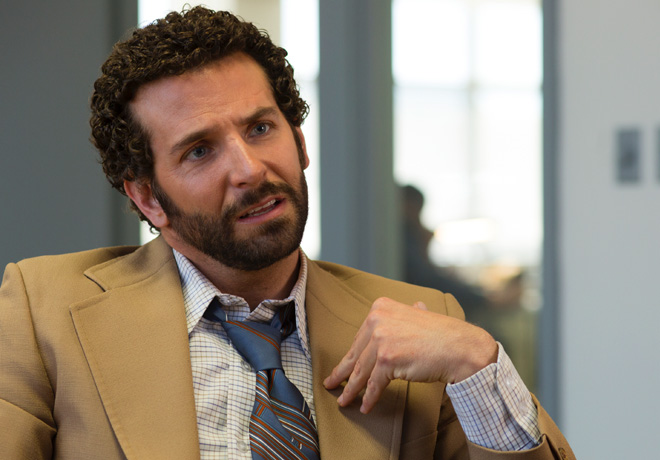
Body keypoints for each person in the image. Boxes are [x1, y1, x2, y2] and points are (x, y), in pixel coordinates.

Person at [0, 7, 575, 460]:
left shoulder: (422, 323)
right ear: (148, 198)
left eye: (260, 128)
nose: (249, 169)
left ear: (299, 143)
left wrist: (478, 362)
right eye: (199, 151)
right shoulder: (44, 309)